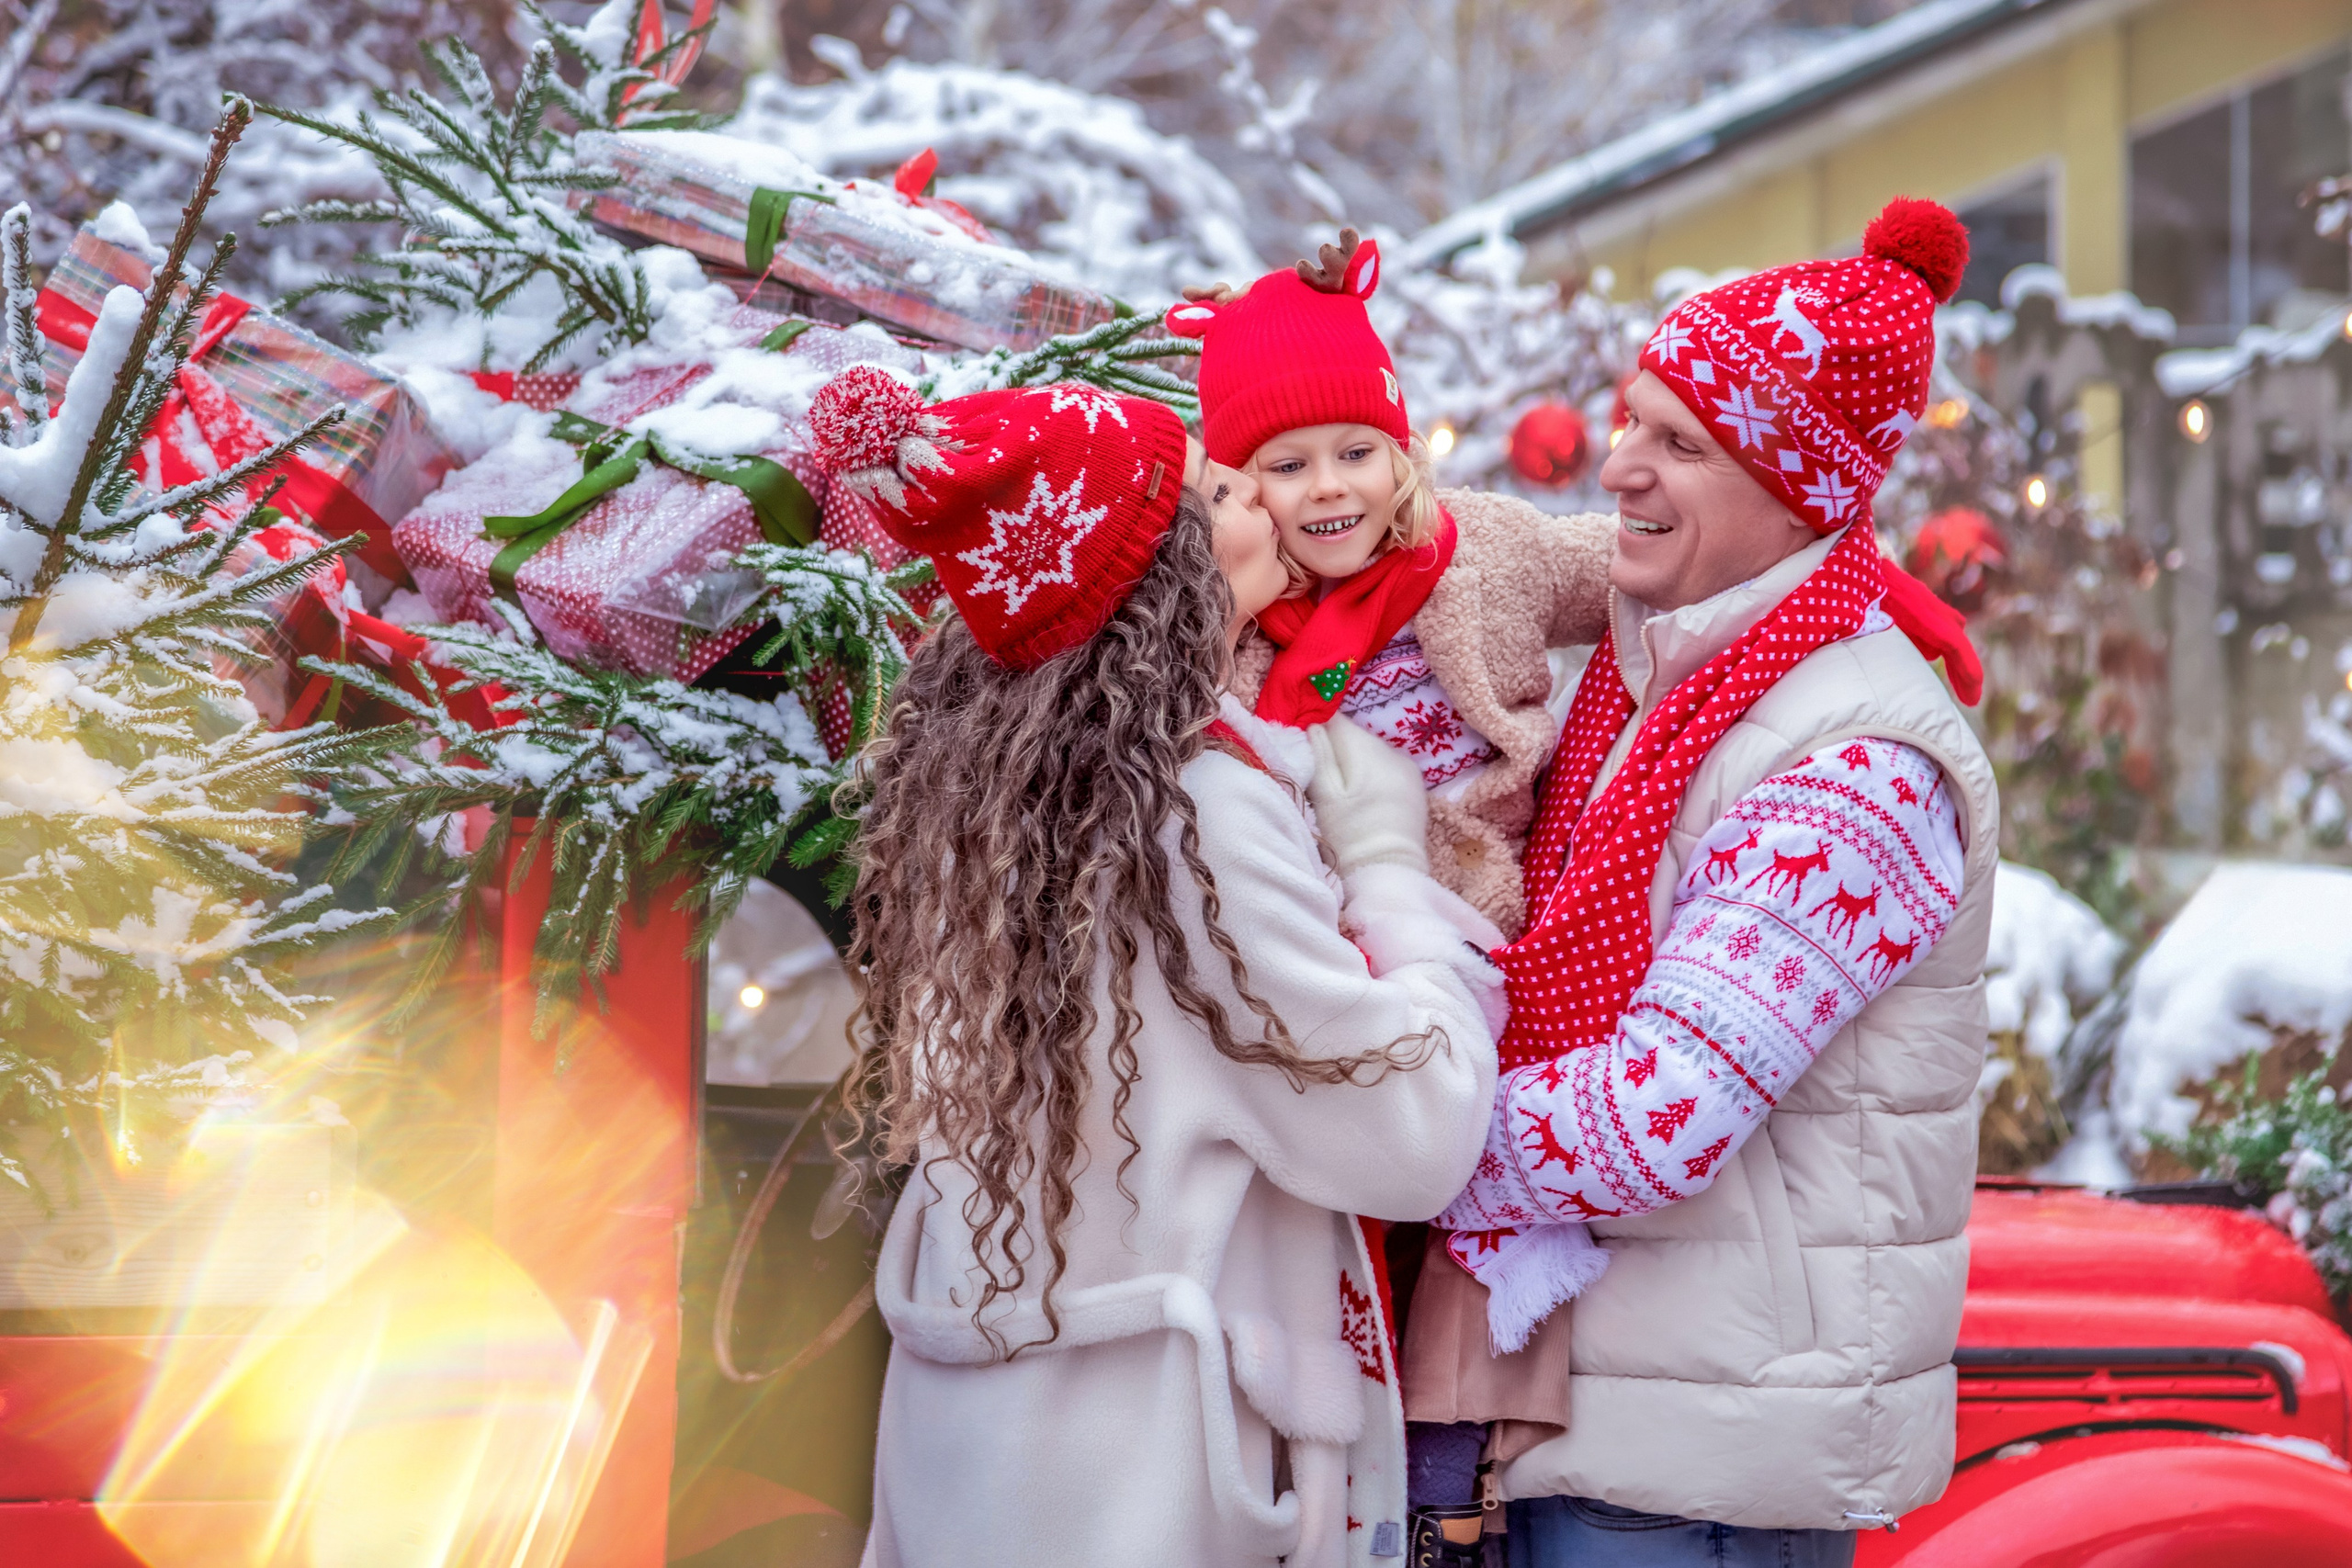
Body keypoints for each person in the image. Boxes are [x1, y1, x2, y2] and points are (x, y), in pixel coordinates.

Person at [1385, 198, 1999, 1567]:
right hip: (1600, 1425)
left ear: (1798, 486)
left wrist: (1376, 1136)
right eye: (1627, 421)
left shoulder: (1860, 761)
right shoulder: (1648, 669)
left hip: (1700, 1481)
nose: (1619, 468)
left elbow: (1658, 1116)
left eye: (1681, 443)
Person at [808, 366, 1506, 1568]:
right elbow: (1414, 1129)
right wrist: (1391, 867)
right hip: (1151, 1481)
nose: (1263, 496)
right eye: (1220, 490)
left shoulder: (993, 797)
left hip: (989, 1451)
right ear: (1160, 570)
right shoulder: (1197, 810)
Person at [1165, 231, 1617, 940]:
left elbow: (1629, 569)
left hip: (1544, 895)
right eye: (1288, 467)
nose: (1329, 486)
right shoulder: (1240, 630)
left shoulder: (1484, 548)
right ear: (1241, 486)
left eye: (1356, 453)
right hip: (1375, 943)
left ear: (1398, 455)